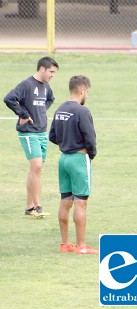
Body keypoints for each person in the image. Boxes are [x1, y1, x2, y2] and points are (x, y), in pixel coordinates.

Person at [4, 56, 59, 218]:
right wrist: (24, 114)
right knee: (37, 167)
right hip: (28, 133)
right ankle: (37, 206)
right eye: (51, 71)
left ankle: (29, 208)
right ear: (42, 68)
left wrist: (40, 111)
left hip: (42, 132)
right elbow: (9, 99)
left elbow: (50, 99)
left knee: (36, 170)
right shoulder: (26, 85)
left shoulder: (46, 87)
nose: (52, 75)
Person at [49, 75, 98, 254]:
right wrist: (90, 154)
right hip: (78, 159)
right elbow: (90, 139)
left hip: (63, 160)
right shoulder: (82, 112)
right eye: (88, 92)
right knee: (80, 203)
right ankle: (82, 246)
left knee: (65, 201)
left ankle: (65, 244)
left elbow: (52, 136)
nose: (87, 96)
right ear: (82, 90)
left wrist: (66, 143)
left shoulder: (60, 109)